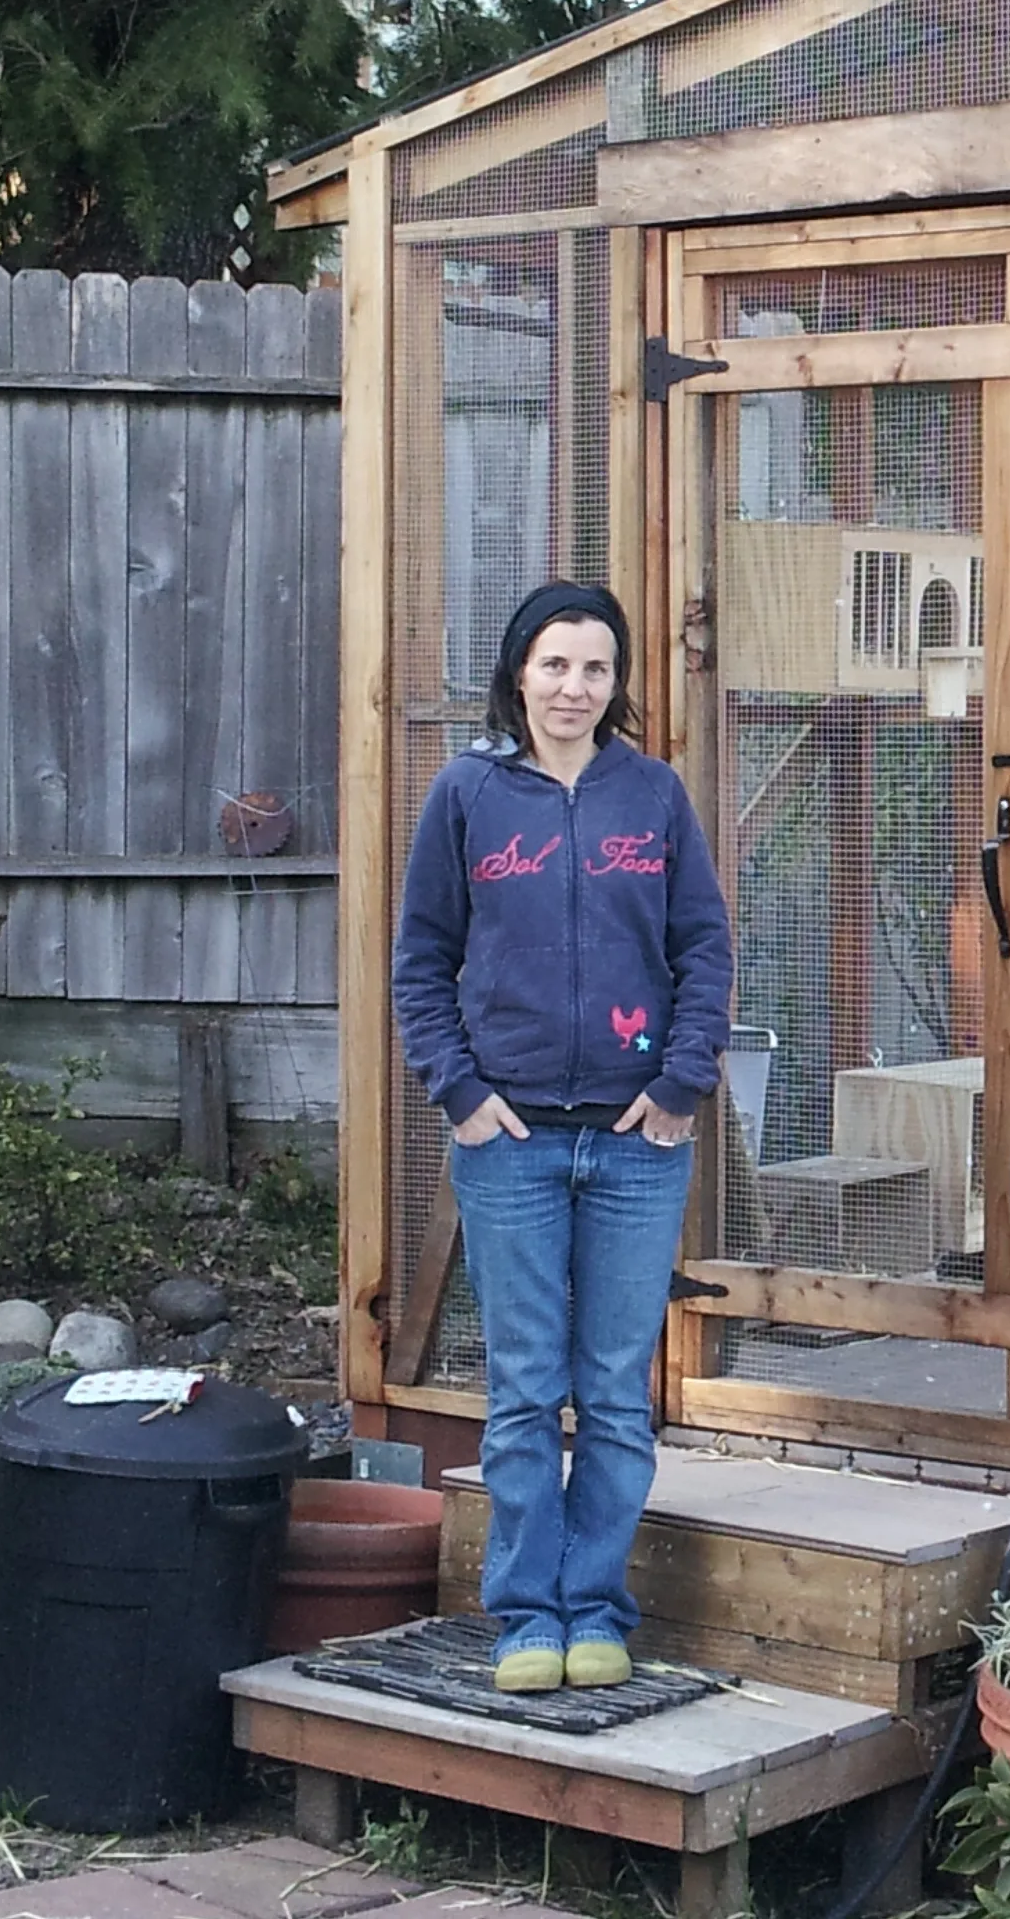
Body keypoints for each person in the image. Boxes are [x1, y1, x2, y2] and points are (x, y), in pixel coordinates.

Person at [391, 582, 732, 1693]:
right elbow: (421, 961)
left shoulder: (655, 797)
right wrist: (460, 1094)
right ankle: (527, 1615)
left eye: (595, 669)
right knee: (528, 1388)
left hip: (638, 1144)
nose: (575, 689)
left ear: (617, 682)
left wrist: (682, 1086)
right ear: (518, 674)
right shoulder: (468, 796)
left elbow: (705, 953)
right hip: (513, 1143)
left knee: (618, 1391)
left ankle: (599, 1609)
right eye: (555, 667)